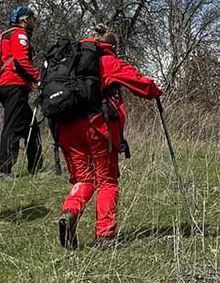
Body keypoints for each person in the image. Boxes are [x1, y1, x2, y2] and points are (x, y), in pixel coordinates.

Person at [56, 25, 161, 249]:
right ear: (111, 46)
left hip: (66, 128)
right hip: (97, 127)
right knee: (107, 181)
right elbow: (141, 84)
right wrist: (155, 91)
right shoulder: (109, 61)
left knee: (83, 179)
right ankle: (104, 235)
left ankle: (70, 211)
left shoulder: (69, 61)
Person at [0, 5, 42, 181]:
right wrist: (38, 79)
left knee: (32, 127)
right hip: (14, 85)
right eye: (32, 18)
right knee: (13, 127)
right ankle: (4, 170)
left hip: (9, 85)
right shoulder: (19, 34)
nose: (34, 22)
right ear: (24, 20)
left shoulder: (7, 34)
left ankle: (35, 168)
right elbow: (21, 59)